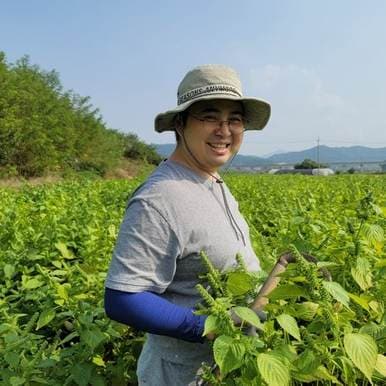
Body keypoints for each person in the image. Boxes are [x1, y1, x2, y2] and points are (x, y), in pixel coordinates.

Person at [104, 64, 271, 386]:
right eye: (210, 117)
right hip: (184, 374)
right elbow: (124, 298)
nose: (225, 130)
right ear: (180, 124)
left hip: (231, 363)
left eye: (234, 119)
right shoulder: (160, 198)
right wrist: (209, 326)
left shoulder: (211, 178)